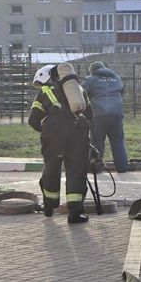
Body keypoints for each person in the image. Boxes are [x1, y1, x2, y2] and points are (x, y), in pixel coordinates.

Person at [28, 64, 92, 224]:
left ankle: (49, 207)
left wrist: (46, 130)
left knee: (51, 169)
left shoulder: (45, 91)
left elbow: (33, 120)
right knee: (76, 172)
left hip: (54, 137)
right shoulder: (78, 91)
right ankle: (75, 213)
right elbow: (90, 115)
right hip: (78, 135)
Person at [82, 60, 129, 173]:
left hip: (98, 114)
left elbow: (82, 93)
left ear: (92, 71)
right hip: (116, 114)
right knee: (117, 141)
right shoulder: (116, 78)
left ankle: (96, 168)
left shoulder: (90, 79)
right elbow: (122, 91)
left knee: (97, 141)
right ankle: (122, 168)